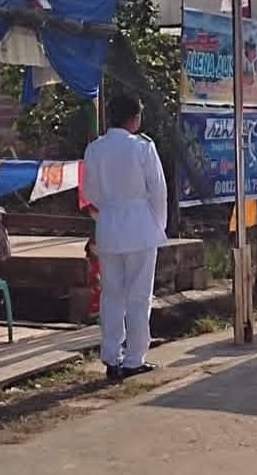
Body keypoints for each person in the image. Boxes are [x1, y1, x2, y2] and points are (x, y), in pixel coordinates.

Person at [83, 94, 168, 382]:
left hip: (109, 227)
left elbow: (91, 192)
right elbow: (158, 190)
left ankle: (111, 356)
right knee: (138, 296)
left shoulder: (94, 149)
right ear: (135, 118)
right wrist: (158, 225)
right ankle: (134, 358)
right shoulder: (143, 147)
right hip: (140, 226)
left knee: (111, 295)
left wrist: (110, 207)